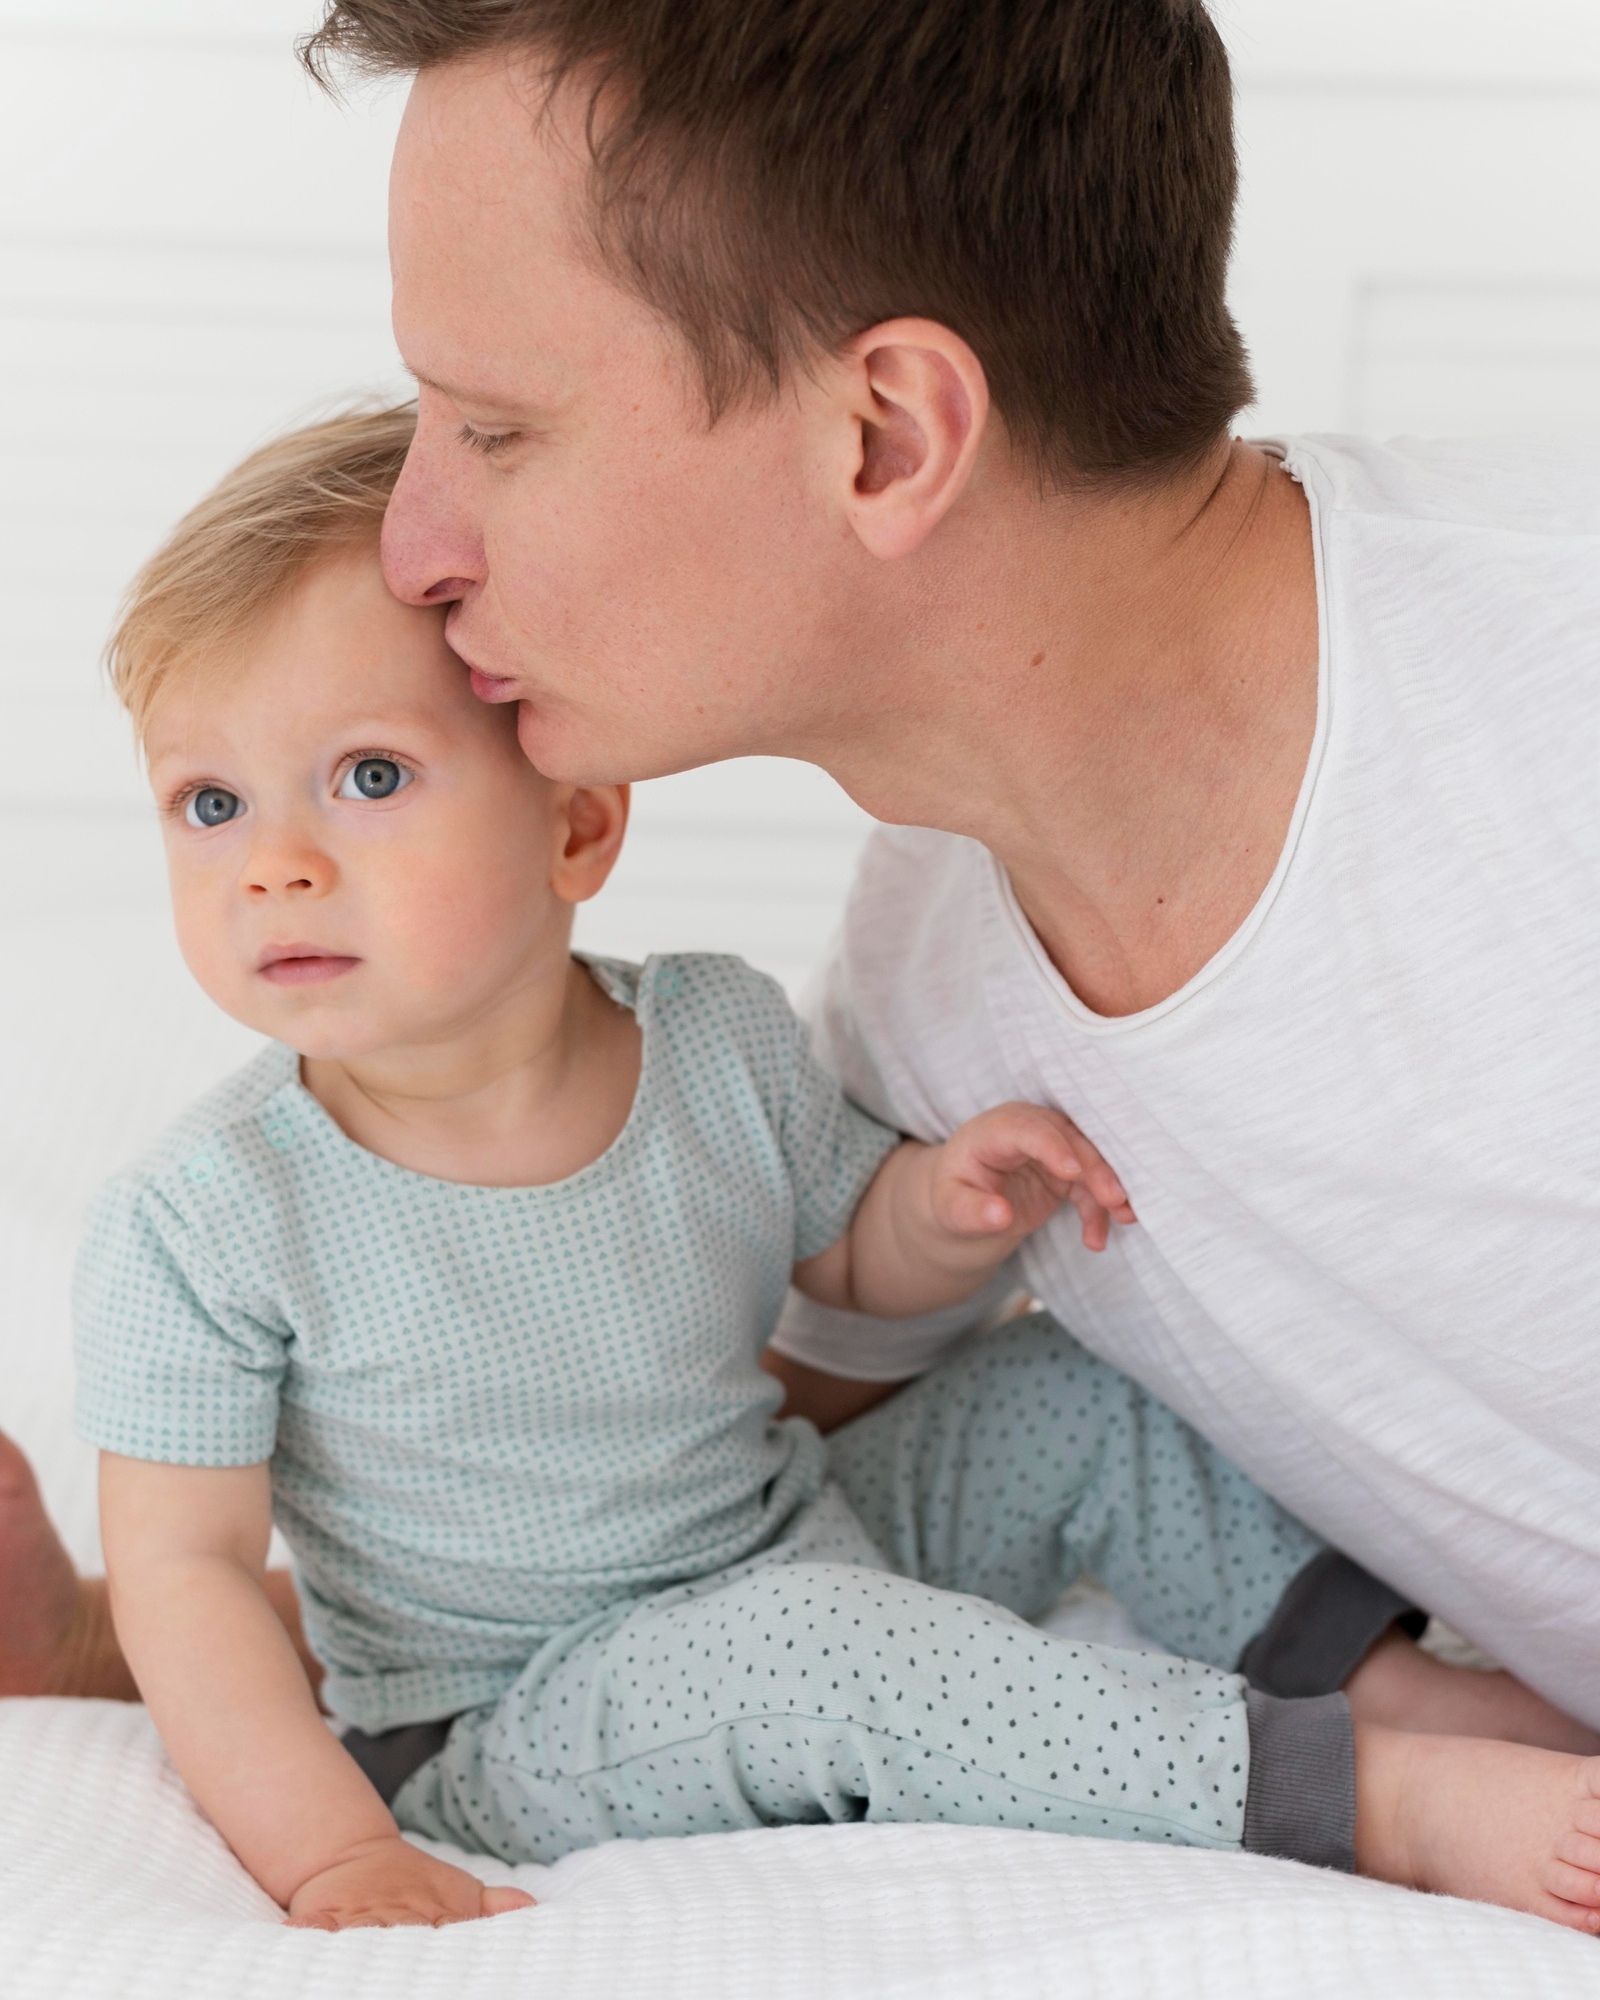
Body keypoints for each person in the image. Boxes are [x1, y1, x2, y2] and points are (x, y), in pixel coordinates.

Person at [43, 409, 1600, 1934]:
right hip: (511, 1717)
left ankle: (1400, 1681)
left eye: (367, 778)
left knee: (1074, 1392)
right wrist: (329, 1853)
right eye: (210, 803)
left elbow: (846, 1260)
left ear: (577, 829)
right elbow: (185, 1573)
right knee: (822, 1657)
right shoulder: (211, 1219)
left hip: (793, 1534)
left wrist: (938, 1208)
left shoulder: (710, 1034)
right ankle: (1378, 1796)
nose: (274, 863)